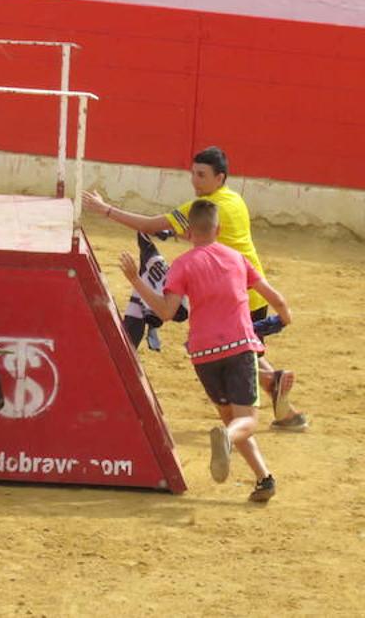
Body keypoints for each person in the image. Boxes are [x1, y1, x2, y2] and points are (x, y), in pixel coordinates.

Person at [84, 146, 308, 431]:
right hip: (252, 288)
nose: (194, 180)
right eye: (193, 173)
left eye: (201, 175)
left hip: (233, 298)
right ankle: (285, 409)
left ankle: (260, 403)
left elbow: (152, 224)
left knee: (237, 359)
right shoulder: (235, 200)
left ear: (220, 178)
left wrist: (106, 210)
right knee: (246, 355)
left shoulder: (205, 209)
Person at [119, 198, 295, 503]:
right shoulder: (237, 258)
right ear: (219, 228)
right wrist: (285, 317)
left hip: (204, 355)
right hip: (239, 348)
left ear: (188, 232)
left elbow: (164, 311)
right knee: (246, 421)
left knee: (233, 421)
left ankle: (264, 479)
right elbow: (274, 297)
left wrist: (135, 279)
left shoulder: (182, 265)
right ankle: (226, 441)